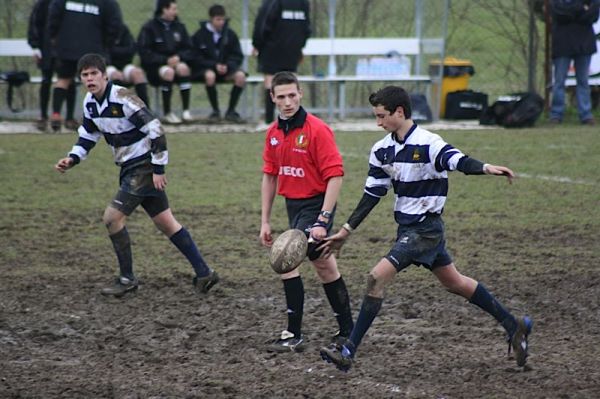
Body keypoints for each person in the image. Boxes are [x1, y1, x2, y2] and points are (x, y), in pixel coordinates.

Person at [319, 86, 532, 371]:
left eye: (382, 116)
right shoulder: (381, 150)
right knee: (454, 282)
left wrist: (485, 167)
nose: (378, 123)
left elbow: (457, 160)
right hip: (407, 228)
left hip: (426, 230)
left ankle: (348, 351)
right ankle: (513, 324)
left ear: (400, 112)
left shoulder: (430, 143)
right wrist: (346, 229)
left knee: (375, 278)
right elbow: (372, 194)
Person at [54, 53, 219, 297]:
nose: (90, 79)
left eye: (93, 74)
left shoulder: (123, 98)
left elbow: (156, 129)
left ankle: (127, 279)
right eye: (85, 75)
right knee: (166, 223)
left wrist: (158, 168)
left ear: (105, 75)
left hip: (143, 166)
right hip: (128, 168)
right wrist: (73, 157)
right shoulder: (90, 102)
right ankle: (205, 273)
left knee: (112, 218)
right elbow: (88, 135)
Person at [259, 71, 353, 352]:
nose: (288, 102)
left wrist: (324, 218)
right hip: (294, 205)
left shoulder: (317, 130)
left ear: (300, 94)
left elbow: (335, 176)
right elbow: (270, 176)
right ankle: (348, 329)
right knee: (323, 264)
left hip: (317, 204)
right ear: (272, 98)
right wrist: (264, 220)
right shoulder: (273, 134)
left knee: (286, 258)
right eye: (282, 97)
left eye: (292, 95)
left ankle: (293, 334)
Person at [46, 0, 122, 132]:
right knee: (94, 80)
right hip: (93, 48)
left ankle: (57, 114)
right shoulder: (106, 3)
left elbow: (53, 18)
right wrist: (106, 44)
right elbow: (114, 24)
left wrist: (56, 38)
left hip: (66, 46)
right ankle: (97, 117)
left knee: (64, 79)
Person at [252, 0, 311, 124]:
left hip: (271, 48)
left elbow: (263, 24)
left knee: (270, 82)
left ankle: (269, 122)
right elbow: (307, 28)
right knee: (291, 82)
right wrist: (300, 46)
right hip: (292, 48)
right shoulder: (303, 3)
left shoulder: (273, 2)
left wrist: (257, 44)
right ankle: (295, 121)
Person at [138, 0, 194, 125]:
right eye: (173, 9)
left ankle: (186, 111)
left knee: (183, 68)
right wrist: (165, 60)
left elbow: (189, 49)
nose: (176, 12)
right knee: (168, 72)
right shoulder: (149, 27)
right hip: (155, 68)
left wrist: (178, 57)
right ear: (164, 9)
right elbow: (145, 52)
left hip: (175, 63)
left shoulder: (179, 27)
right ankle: (168, 113)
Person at [190, 4, 246, 124]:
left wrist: (228, 66)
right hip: (206, 70)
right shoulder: (200, 35)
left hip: (226, 70)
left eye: (222, 19)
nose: (221, 22)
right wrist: (213, 65)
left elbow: (237, 55)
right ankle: (215, 111)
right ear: (211, 19)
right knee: (210, 76)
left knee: (240, 76)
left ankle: (231, 111)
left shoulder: (230, 35)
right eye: (218, 19)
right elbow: (195, 57)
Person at [27, 0, 77, 132]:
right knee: (46, 80)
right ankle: (43, 116)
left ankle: (69, 117)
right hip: (47, 48)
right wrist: (35, 47)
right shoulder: (44, 3)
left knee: (70, 81)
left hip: (66, 48)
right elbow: (35, 23)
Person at [550, 0, 599, 125]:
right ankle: (556, 114)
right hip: (562, 45)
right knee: (559, 81)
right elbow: (559, 15)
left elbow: (592, 16)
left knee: (583, 81)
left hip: (584, 45)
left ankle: (585, 114)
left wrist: (570, 10)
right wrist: (581, 8)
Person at [107, 22, 150, 108]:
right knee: (116, 75)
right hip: (106, 65)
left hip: (125, 64)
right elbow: (103, 52)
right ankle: (120, 110)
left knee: (138, 73)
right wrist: (119, 52)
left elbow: (131, 49)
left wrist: (114, 51)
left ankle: (145, 110)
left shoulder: (122, 29)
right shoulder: (101, 28)